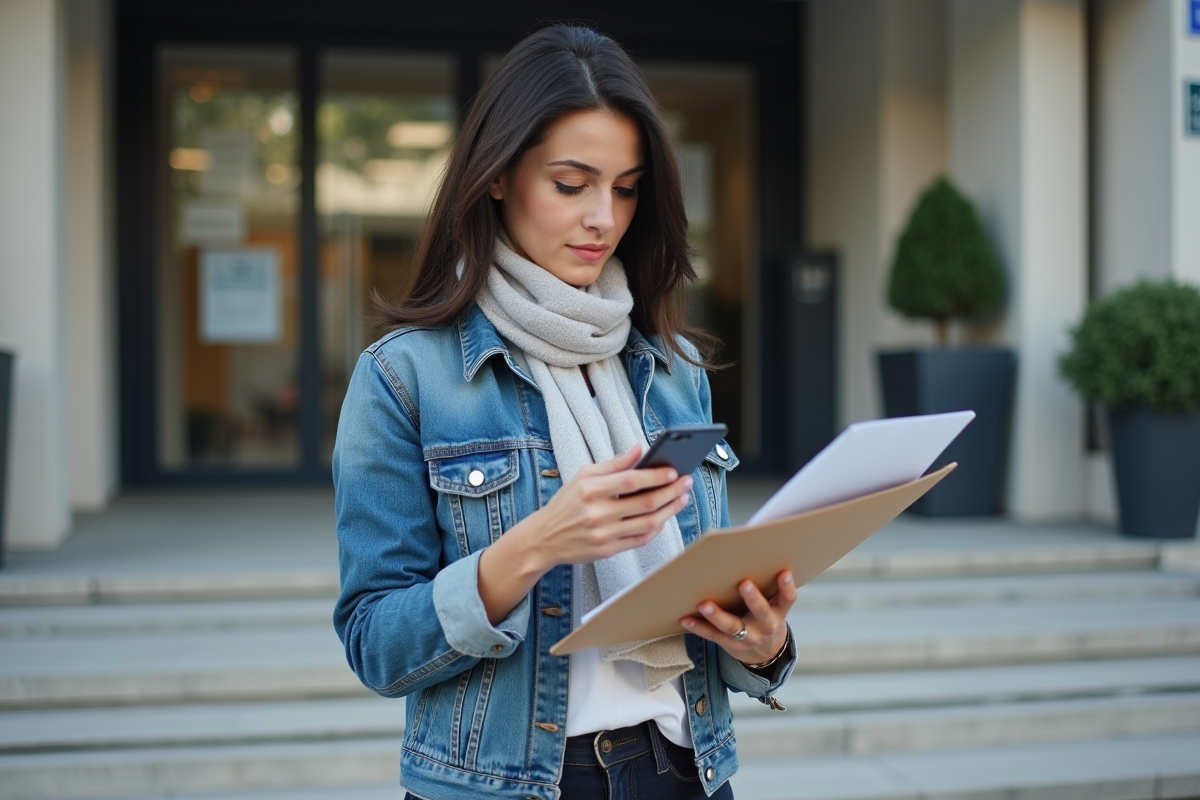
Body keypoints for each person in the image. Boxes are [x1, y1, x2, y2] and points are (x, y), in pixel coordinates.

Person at [332, 24, 797, 800]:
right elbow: (377, 644)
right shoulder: (405, 376)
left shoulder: (671, 367)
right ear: (498, 177)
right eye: (571, 184)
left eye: (625, 187)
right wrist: (538, 543)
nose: (603, 219)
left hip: (686, 767)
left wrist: (764, 642)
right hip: (510, 782)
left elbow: (709, 613)